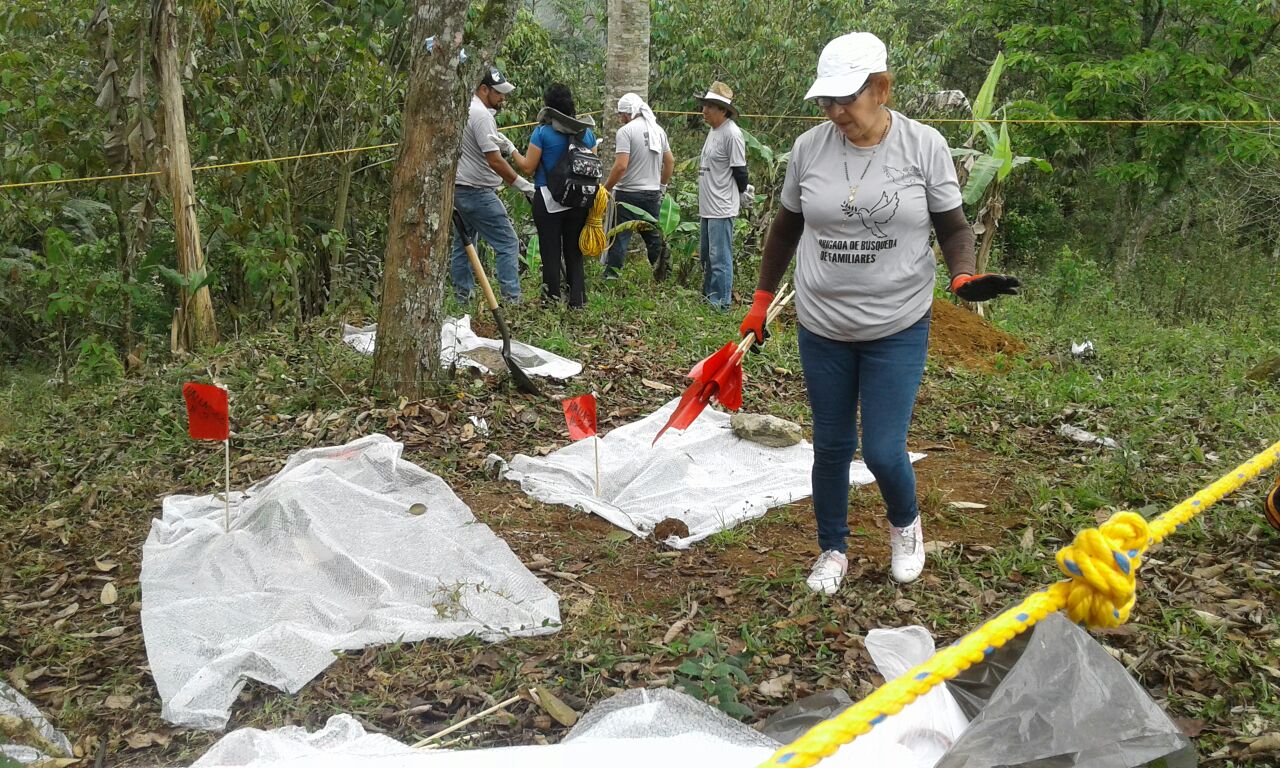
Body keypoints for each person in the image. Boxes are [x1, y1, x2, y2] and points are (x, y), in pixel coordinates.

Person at [737, 32, 1020, 593]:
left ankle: (905, 525)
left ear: (882, 88)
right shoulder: (808, 149)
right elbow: (787, 226)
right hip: (822, 323)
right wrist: (762, 301)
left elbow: (953, 226)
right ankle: (833, 550)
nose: (836, 112)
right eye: (827, 101)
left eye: (848, 98)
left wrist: (962, 276)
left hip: (897, 323)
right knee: (832, 446)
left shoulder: (923, 146)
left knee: (885, 449)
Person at [499, 83, 595, 307]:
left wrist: (511, 148)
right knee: (574, 251)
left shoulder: (542, 132)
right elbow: (589, 169)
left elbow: (528, 167)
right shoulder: (587, 133)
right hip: (578, 201)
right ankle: (577, 300)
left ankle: (552, 300)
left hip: (548, 199)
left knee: (550, 251)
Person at [449, 67, 536, 305]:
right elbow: (494, 159)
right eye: (498, 93)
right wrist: (520, 183)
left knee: (465, 244)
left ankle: (461, 300)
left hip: (459, 187)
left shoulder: (464, 108)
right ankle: (512, 301)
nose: (502, 98)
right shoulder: (482, 115)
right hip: (476, 191)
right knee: (507, 241)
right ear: (483, 89)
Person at [603, 93, 675, 281]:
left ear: (628, 114)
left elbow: (620, 166)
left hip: (627, 194)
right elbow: (670, 162)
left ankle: (612, 278)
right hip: (652, 194)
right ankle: (662, 277)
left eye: (621, 115)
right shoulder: (658, 130)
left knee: (619, 239)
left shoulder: (626, 132)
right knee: (654, 240)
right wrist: (661, 186)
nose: (620, 119)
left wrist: (605, 188)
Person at [696, 81, 751, 310]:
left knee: (720, 258)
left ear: (723, 110)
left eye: (711, 106)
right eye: (705, 105)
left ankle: (721, 302)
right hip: (708, 205)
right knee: (707, 256)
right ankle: (710, 295)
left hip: (721, 205)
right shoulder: (714, 131)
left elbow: (740, 170)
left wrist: (742, 193)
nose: (705, 111)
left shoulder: (732, 134)